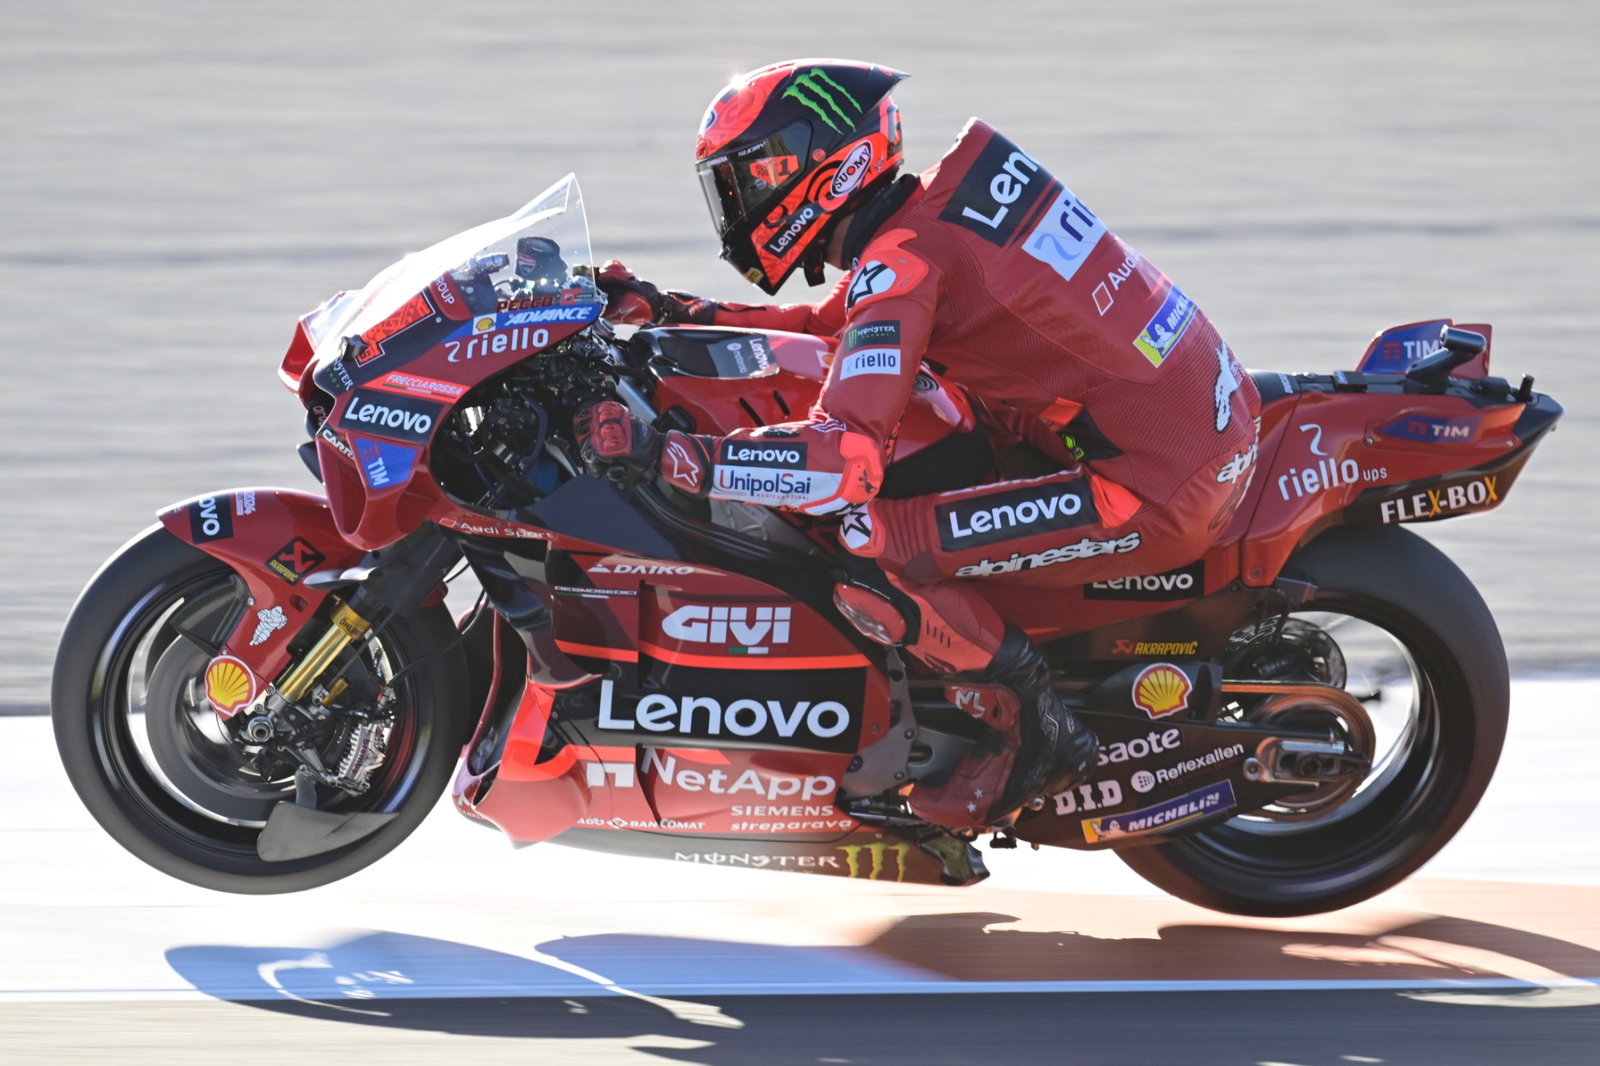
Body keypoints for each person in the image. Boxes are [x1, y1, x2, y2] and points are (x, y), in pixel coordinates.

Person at [576, 58, 1261, 831]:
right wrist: (675, 309)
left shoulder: (905, 258)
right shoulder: (927, 218)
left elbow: (845, 466)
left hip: (1152, 482)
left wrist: (679, 459)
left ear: (828, 164)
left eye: (753, 178)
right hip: (1182, 419)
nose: (742, 205)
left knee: (870, 542)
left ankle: (1035, 720)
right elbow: (840, 325)